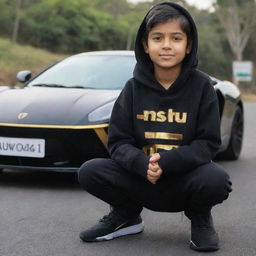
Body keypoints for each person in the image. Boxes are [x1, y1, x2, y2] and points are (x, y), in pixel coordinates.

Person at [78, 1, 232, 252]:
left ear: (189, 44)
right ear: (145, 45)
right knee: (90, 171)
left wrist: (167, 162)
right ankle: (126, 215)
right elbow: (117, 142)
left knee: (216, 178)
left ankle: (201, 218)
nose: (167, 45)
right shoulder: (132, 88)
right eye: (158, 38)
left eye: (176, 38)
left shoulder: (202, 87)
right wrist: (141, 164)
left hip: (184, 178)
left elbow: (208, 144)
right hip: (141, 178)